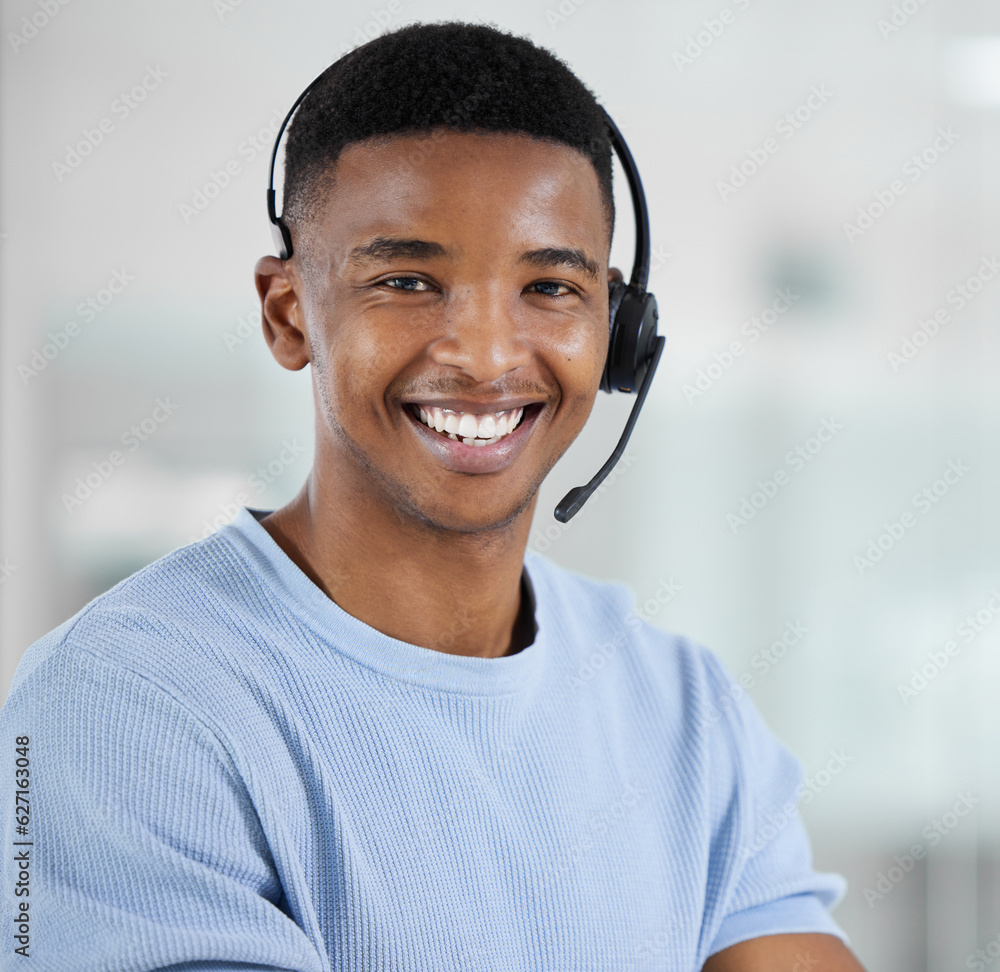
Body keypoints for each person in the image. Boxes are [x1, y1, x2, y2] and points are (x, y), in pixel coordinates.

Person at [0, 21, 867, 971]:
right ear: (289, 313)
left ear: (618, 332)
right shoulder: (125, 704)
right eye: (408, 280)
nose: (487, 357)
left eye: (549, 287)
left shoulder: (682, 708)